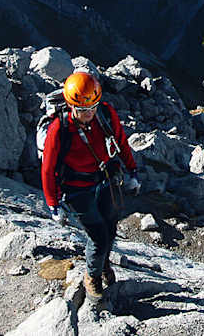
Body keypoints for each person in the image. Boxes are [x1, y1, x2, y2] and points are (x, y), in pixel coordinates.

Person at [40, 70, 140, 297]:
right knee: (98, 236)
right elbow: (48, 168)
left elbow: (121, 142)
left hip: (105, 180)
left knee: (110, 228)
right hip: (77, 190)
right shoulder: (60, 128)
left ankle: (103, 264)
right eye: (84, 110)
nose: (90, 113)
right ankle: (92, 277)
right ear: (71, 105)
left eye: (92, 107)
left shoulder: (105, 114)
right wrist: (53, 204)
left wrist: (132, 170)